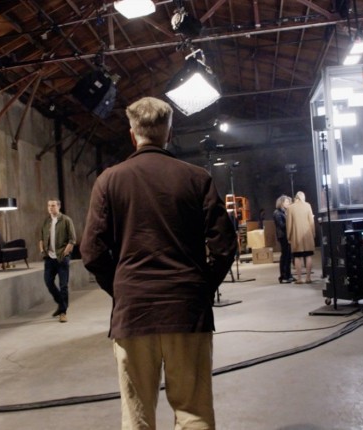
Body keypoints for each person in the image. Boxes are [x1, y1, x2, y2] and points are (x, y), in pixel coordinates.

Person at [81, 96, 237, 430]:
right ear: (169, 132)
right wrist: (200, 288)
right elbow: (224, 246)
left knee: (137, 417)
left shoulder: (109, 180)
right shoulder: (196, 178)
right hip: (187, 311)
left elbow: (91, 252)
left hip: (134, 312)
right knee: (194, 412)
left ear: (132, 133)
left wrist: (123, 290)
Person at [39, 199, 76, 323]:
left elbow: (72, 239)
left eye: (53, 205)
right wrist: (42, 251)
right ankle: (62, 304)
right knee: (48, 282)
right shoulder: (46, 221)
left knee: (63, 286)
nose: (50, 207)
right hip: (49, 259)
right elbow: (41, 238)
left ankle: (63, 312)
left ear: (59, 207)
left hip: (62, 258)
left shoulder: (66, 220)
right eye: (49, 205)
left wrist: (65, 253)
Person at [286, 191, 315, 284]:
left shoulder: (290, 208)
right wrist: (313, 233)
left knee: (297, 257)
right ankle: (308, 278)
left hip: (296, 235)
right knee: (309, 256)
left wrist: (289, 236)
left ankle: (299, 279)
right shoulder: (308, 205)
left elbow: (289, 224)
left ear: (296, 197)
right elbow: (311, 222)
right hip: (307, 235)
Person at [273, 195, 294, 283]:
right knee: (285, 255)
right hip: (283, 236)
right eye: (287, 202)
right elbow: (281, 225)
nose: (288, 203)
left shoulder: (285, 212)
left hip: (287, 235)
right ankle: (283, 276)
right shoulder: (277, 213)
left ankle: (289, 275)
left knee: (289, 256)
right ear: (281, 203)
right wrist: (290, 221)